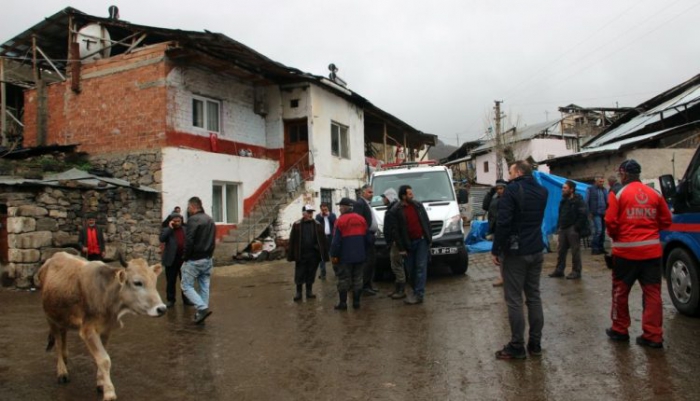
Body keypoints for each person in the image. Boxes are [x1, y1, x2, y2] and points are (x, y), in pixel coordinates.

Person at [605, 160, 672, 349]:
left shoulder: (618, 194)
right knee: (653, 293)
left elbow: (610, 221)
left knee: (620, 291)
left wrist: (617, 235)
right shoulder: (654, 194)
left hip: (625, 253)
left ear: (624, 175)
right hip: (651, 252)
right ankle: (653, 336)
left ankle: (620, 330)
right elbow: (666, 220)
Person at [491, 160, 548, 360]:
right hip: (536, 249)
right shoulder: (542, 191)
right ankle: (536, 343)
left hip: (516, 252)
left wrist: (496, 249)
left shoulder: (512, 191)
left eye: (510, 171)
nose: (508, 175)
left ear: (519, 172)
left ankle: (517, 345)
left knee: (514, 299)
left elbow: (504, 223)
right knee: (533, 296)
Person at [393, 185, 432, 305]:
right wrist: (401, 248)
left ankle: (419, 294)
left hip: (421, 241)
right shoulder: (397, 210)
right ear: (403, 196)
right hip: (408, 245)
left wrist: (428, 238)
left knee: (420, 268)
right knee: (411, 270)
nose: (412, 195)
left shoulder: (418, 206)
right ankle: (415, 291)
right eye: (409, 194)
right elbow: (396, 231)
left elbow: (426, 222)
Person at [181, 196, 216, 325]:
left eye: (189, 207)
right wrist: (209, 255)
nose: (188, 210)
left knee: (186, 286)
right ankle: (201, 312)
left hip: (194, 259)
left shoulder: (193, 220)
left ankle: (202, 308)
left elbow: (189, 241)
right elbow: (212, 241)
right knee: (204, 285)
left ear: (194, 206)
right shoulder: (210, 220)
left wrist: (185, 257)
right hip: (207, 259)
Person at [330, 198, 369, 310]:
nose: (339, 208)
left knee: (343, 279)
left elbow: (336, 242)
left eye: (340, 206)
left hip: (345, 257)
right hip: (360, 256)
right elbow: (367, 239)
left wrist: (334, 256)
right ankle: (356, 303)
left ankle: (343, 303)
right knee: (358, 279)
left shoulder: (340, 221)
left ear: (345, 207)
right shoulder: (361, 219)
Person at [288, 204, 329, 302]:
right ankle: (298, 292)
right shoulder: (297, 225)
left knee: (311, 273)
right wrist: (291, 254)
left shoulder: (317, 224)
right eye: (309, 212)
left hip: (313, 254)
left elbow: (322, 240)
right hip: (301, 254)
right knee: (300, 273)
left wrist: (321, 252)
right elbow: (292, 240)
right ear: (304, 213)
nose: (311, 214)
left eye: (311, 212)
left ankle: (309, 291)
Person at [548, 180, 589, 280]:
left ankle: (576, 271)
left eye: (565, 188)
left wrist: (576, 227)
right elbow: (561, 214)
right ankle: (559, 270)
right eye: (562, 188)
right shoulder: (563, 201)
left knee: (575, 251)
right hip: (563, 228)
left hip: (572, 228)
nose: (562, 190)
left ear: (571, 189)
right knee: (561, 250)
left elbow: (583, 214)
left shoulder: (578, 201)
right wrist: (559, 226)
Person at [159, 213, 191, 308]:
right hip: (171, 260)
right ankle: (170, 300)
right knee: (171, 282)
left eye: (179, 220)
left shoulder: (185, 229)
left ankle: (186, 299)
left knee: (185, 282)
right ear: (171, 221)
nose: (177, 222)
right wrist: (169, 228)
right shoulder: (167, 230)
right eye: (175, 221)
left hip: (183, 260)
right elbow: (162, 239)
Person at [353, 184, 379, 295]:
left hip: (371, 235)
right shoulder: (360, 204)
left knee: (371, 262)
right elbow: (359, 221)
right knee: (367, 262)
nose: (372, 194)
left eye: (372, 192)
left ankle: (368, 284)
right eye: (369, 192)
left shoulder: (367, 204)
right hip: (366, 237)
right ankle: (364, 286)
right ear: (363, 193)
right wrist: (366, 235)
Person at [382, 188, 406, 299]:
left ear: (389, 197)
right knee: (395, 265)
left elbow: (395, 228)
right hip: (394, 242)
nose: (383, 199)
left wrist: (396, 242)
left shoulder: (394, 209)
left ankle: (401, 290)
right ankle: (397, 288)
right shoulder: (394, 208)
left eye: (385, 197)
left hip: (395, 243)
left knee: (397, 266)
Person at [483, 179, 508, 286]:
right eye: (497, 189)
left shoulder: (508, 200)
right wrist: (491, 192)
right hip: (496, 229)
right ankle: (503, 277)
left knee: (504, 255)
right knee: (499, 256)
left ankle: (507, 278)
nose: (499, 191)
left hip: (505, 230)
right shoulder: (495, 199)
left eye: (501, 188)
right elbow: (485, 206)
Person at [586, 175, 609, 255]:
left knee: (602, 231)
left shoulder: (604, 190)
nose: (602, 183)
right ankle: (595, 248)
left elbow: (607, 201)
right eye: (600, 181)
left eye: (602, 181)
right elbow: (587, 201)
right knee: (598, 230)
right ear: (596, 181)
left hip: (604, 213)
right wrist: (589, 212)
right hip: (595, 213)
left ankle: (601, 248)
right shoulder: (590, 189)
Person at [315, 203, 337, 280]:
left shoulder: (332, 215)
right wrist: (321, 216)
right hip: (322, 238)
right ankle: (323, 273)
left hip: (331, 238)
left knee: (333, 255)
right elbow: (316, 223)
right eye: (322, 209)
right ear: (320, 209)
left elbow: (335, 222)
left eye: (325, 209)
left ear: (328, 208)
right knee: (322, 256)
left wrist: (328, 215)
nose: (324, 211)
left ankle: (336, 271)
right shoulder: (318, 216)